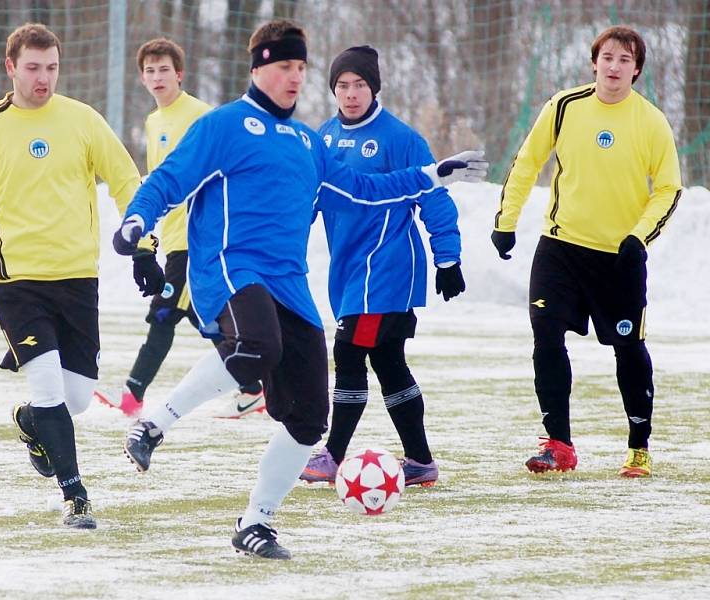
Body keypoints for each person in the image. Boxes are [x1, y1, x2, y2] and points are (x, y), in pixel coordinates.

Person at [113, 19, 487, 559]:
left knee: (311, 416)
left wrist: (431, 174)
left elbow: (362, 189)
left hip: (288, 283)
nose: (295, 77)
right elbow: (168, 180)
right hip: (229, 266)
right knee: (256, 346)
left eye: (301, 67)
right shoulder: (224, 125)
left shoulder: (309, 143)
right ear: (259, 67)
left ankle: (255, 523)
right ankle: (153, 422)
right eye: (285, 66)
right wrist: (137, 221)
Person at [0, 23, 145, 529]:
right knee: (48, 384)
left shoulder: (82, 120)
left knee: (75, 398)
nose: (44, 78)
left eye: (52, 67)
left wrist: (143, 245)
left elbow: (126, 178)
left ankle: (32, 422)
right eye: (33, 68)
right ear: (11, 66)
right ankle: (75, 494)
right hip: (17, 283)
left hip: (78, 277)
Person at [492, 25, 682, 478]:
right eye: (607, 58)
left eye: (625, 60)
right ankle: (559, 444)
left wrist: (639, 237)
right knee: (546, 334)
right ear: (594, 62)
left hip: (618, 259)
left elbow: (669, 189)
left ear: (637, 70)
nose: (614, 67)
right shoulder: (564, 106)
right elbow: (526, 163)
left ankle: (638, 445)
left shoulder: (651, 121)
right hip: (560, 248)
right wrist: (506, 220)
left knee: (628, 348)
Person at [299, 46, 481, 488]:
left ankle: (333, 454)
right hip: (348, 273)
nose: (351, 93)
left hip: (386, 269)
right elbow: (309, 198)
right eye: (342, 85)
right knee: (388, 362)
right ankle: (419, 461)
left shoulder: (400, 138)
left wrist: (448, 257)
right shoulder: (322, 137)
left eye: (359, 84)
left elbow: (433, 197)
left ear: (374, 87)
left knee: (348, 353)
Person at [93, 37, 265, 419]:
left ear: (180, 74)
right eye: (150, 71)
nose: (157, 77)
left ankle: (133, 395)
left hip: (197, 241)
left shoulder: (202, 116)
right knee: (197, 317)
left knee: (163, 315)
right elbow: (158, 184)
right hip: (172, 241)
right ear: (142, 78)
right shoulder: (154, 121)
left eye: (164, 70)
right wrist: (147, 244)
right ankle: (253, 386)